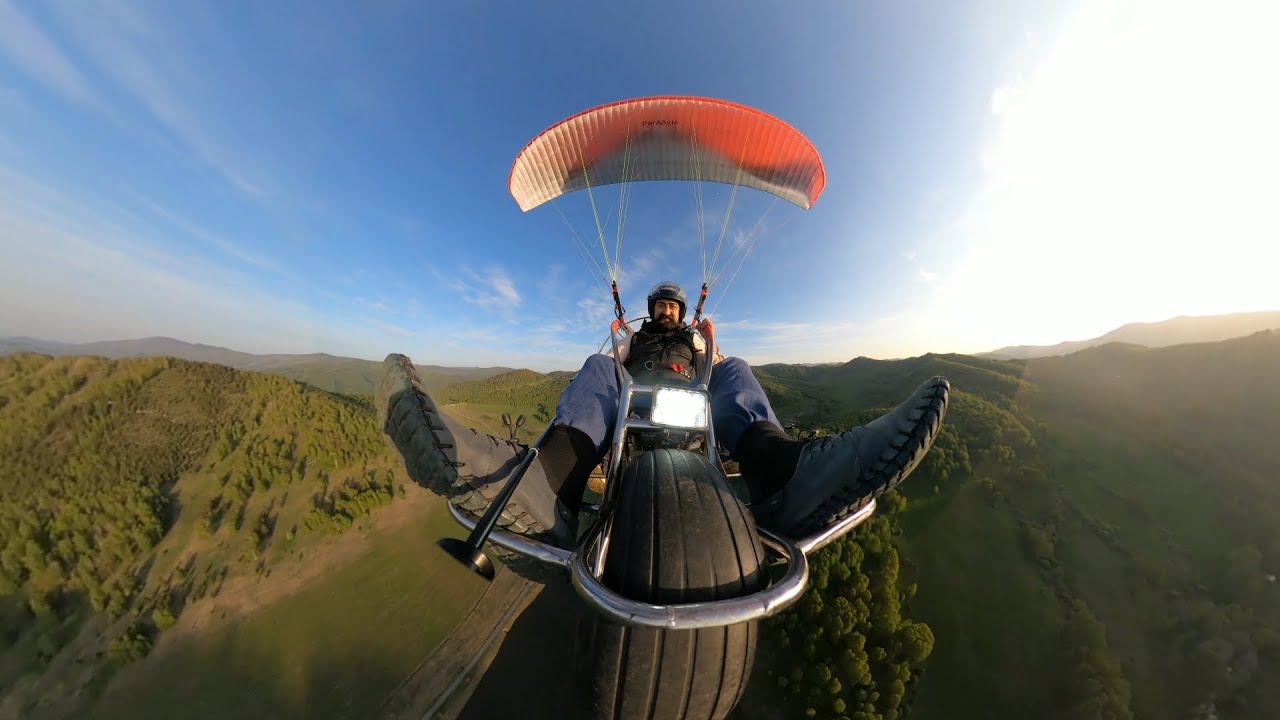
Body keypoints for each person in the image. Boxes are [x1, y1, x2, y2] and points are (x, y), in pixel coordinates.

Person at [376, 281, 950, 551]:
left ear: (681, 311)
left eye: (674, 306)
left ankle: (783, 475)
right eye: (662, 305)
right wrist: (613, 345)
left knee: (736, 369)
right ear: (652, 310)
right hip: (632, 403)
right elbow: (610, 367)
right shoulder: (634, 341)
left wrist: (714, 344)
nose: (668, 310)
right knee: (596, 368)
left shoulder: (695, 344)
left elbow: (718, 371)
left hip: (692, 407)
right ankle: (546, 484)